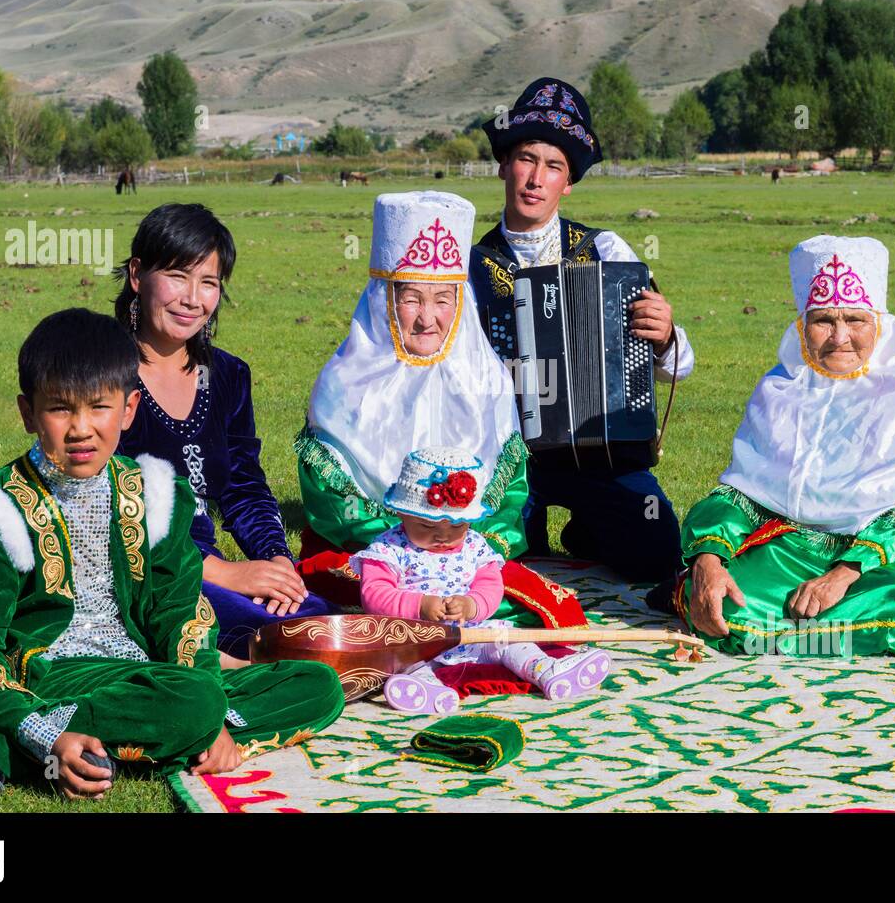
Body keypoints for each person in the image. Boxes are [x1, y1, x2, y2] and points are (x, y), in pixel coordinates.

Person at [0, 309, 343, 798]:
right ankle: (39, 738)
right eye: (60, 409)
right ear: (28, 413)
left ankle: (9, 746)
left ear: (129, 409)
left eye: (98, 407)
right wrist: (43, 724)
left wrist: (209, 707)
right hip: (51, 676)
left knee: (317, 683)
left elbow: (183, 613)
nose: (81, 429)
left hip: (153, 675)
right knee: (191, 701)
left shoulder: (153, 493)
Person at [675, 236, 895, 656]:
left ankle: (803, 632)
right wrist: (708, 561)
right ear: (802, 325)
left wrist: (842, 575)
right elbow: (740, 494)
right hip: (789, 545)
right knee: (725, 604)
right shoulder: (780, 387)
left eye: (856, 320)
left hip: (881, 556)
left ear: (878, 321)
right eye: (824, 320)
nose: (840, 337)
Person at [295, 190, 587, 637]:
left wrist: (469, 551)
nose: (427, 318)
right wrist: (411, 551)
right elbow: (332, 506)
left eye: (443, 299)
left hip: (465, 554)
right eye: (411, 298)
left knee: (542, 612)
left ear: (461, 301)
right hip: (371, 554)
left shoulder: (485, 378)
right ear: (383, 298)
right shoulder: (343, 384)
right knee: (343, 609)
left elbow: (509, 493)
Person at [471, 77, 695, 603]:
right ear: (504, 164)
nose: (535, 178)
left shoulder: (606, 249)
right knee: (497, 570)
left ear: (568, 182)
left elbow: (679, 366)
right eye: (527, 159)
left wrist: (664, 337)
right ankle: (534, 525)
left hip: (605, 448)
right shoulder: (469, 264)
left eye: (554, 167)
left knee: (658, 553)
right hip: (508, 452)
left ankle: (589, 527)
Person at [115, 203, 331, 662]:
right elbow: (108, 510)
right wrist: (227, 574)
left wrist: (276, 562)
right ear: (137, 274)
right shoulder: (101, 373)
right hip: (138, 577)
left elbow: (244, 488)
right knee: (289, 642)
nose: (193, 298)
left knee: (322, 622)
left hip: (209, 577)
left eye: (208, 282)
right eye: (177, 275)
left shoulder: (228, 374)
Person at [356, 447, 611, 715]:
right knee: (402, 657)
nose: (443, 536)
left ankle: (545, 669)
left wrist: (471, 605)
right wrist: (419, 605)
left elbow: (490, 587)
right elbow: (374, 593)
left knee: (510, 641)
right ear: (402, 513)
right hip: (416, 635)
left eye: (456, 526)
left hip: (473, 632)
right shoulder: (389, 548)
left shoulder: (475, 546)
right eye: (428, 526)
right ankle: (424, 687)